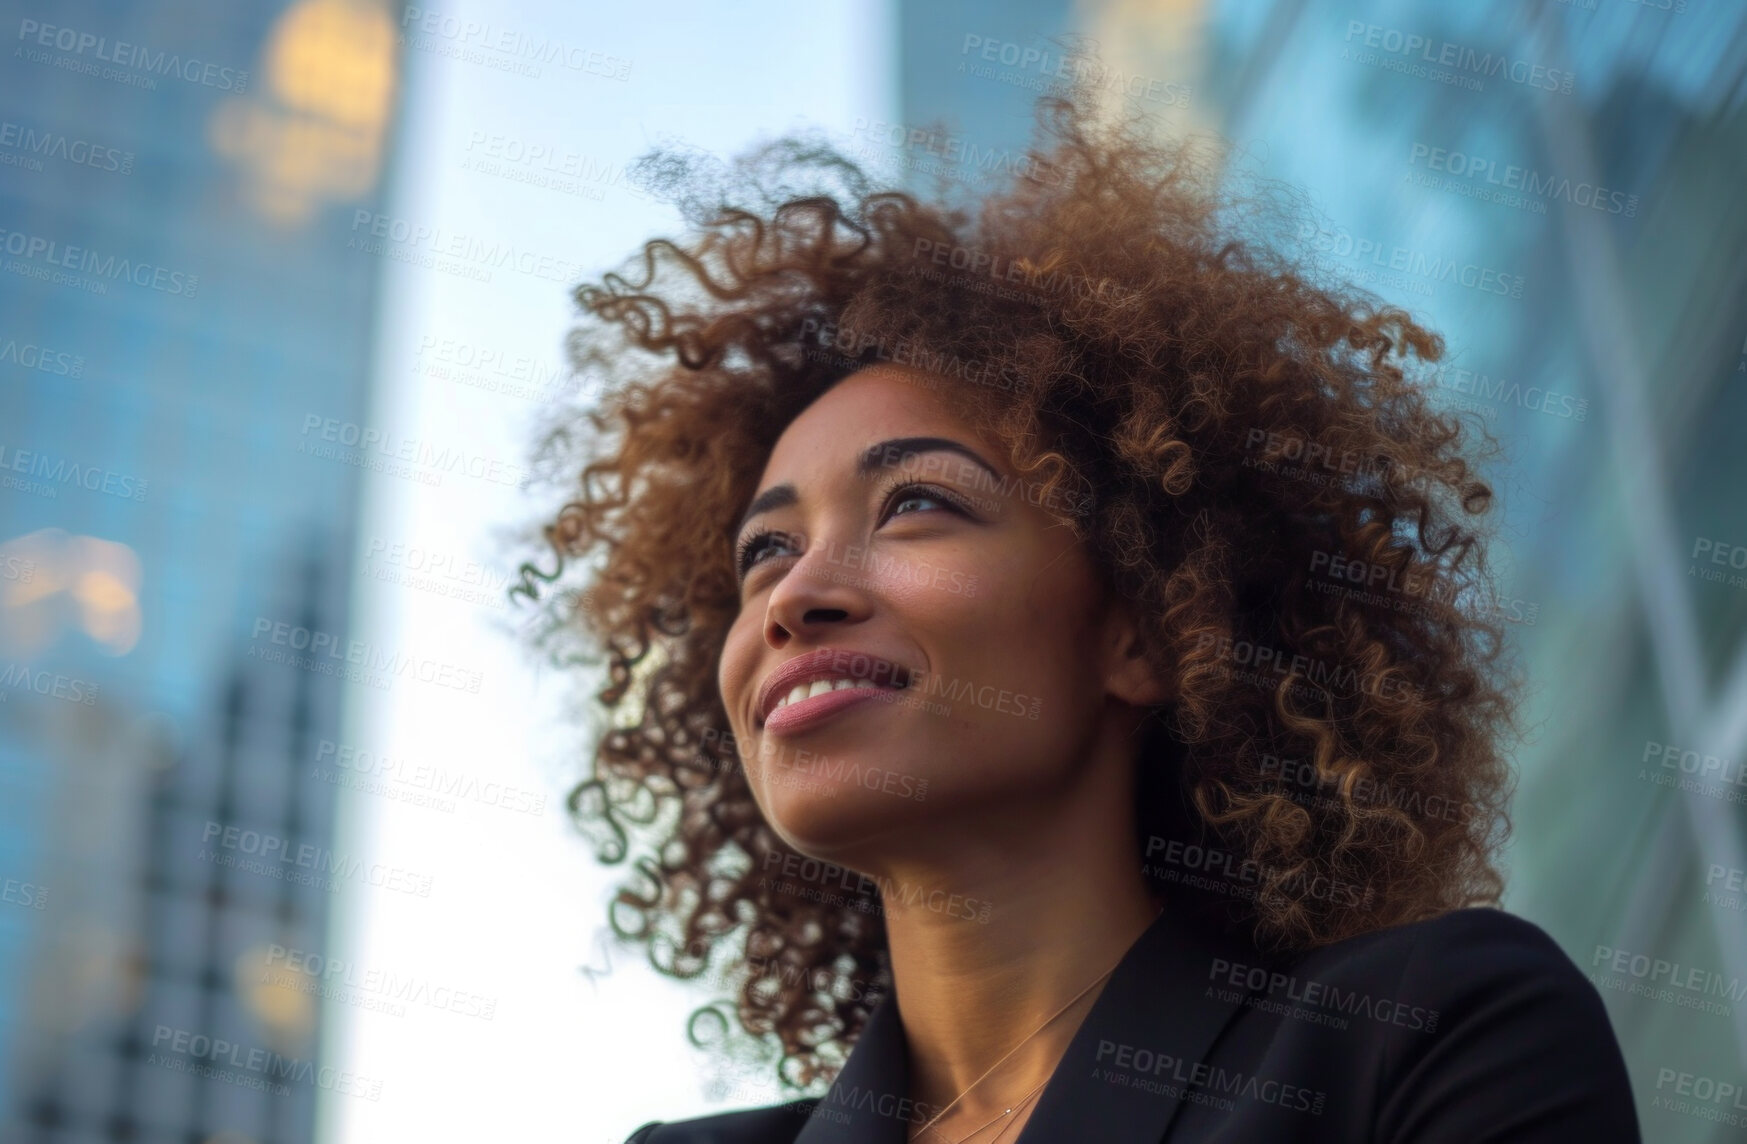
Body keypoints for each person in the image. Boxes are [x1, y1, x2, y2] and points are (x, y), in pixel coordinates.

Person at [512, 77, 1640, 1144]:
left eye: (914, 505)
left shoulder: (1425, 1040)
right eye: (765, 550)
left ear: (1148, 629)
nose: (798, 596)